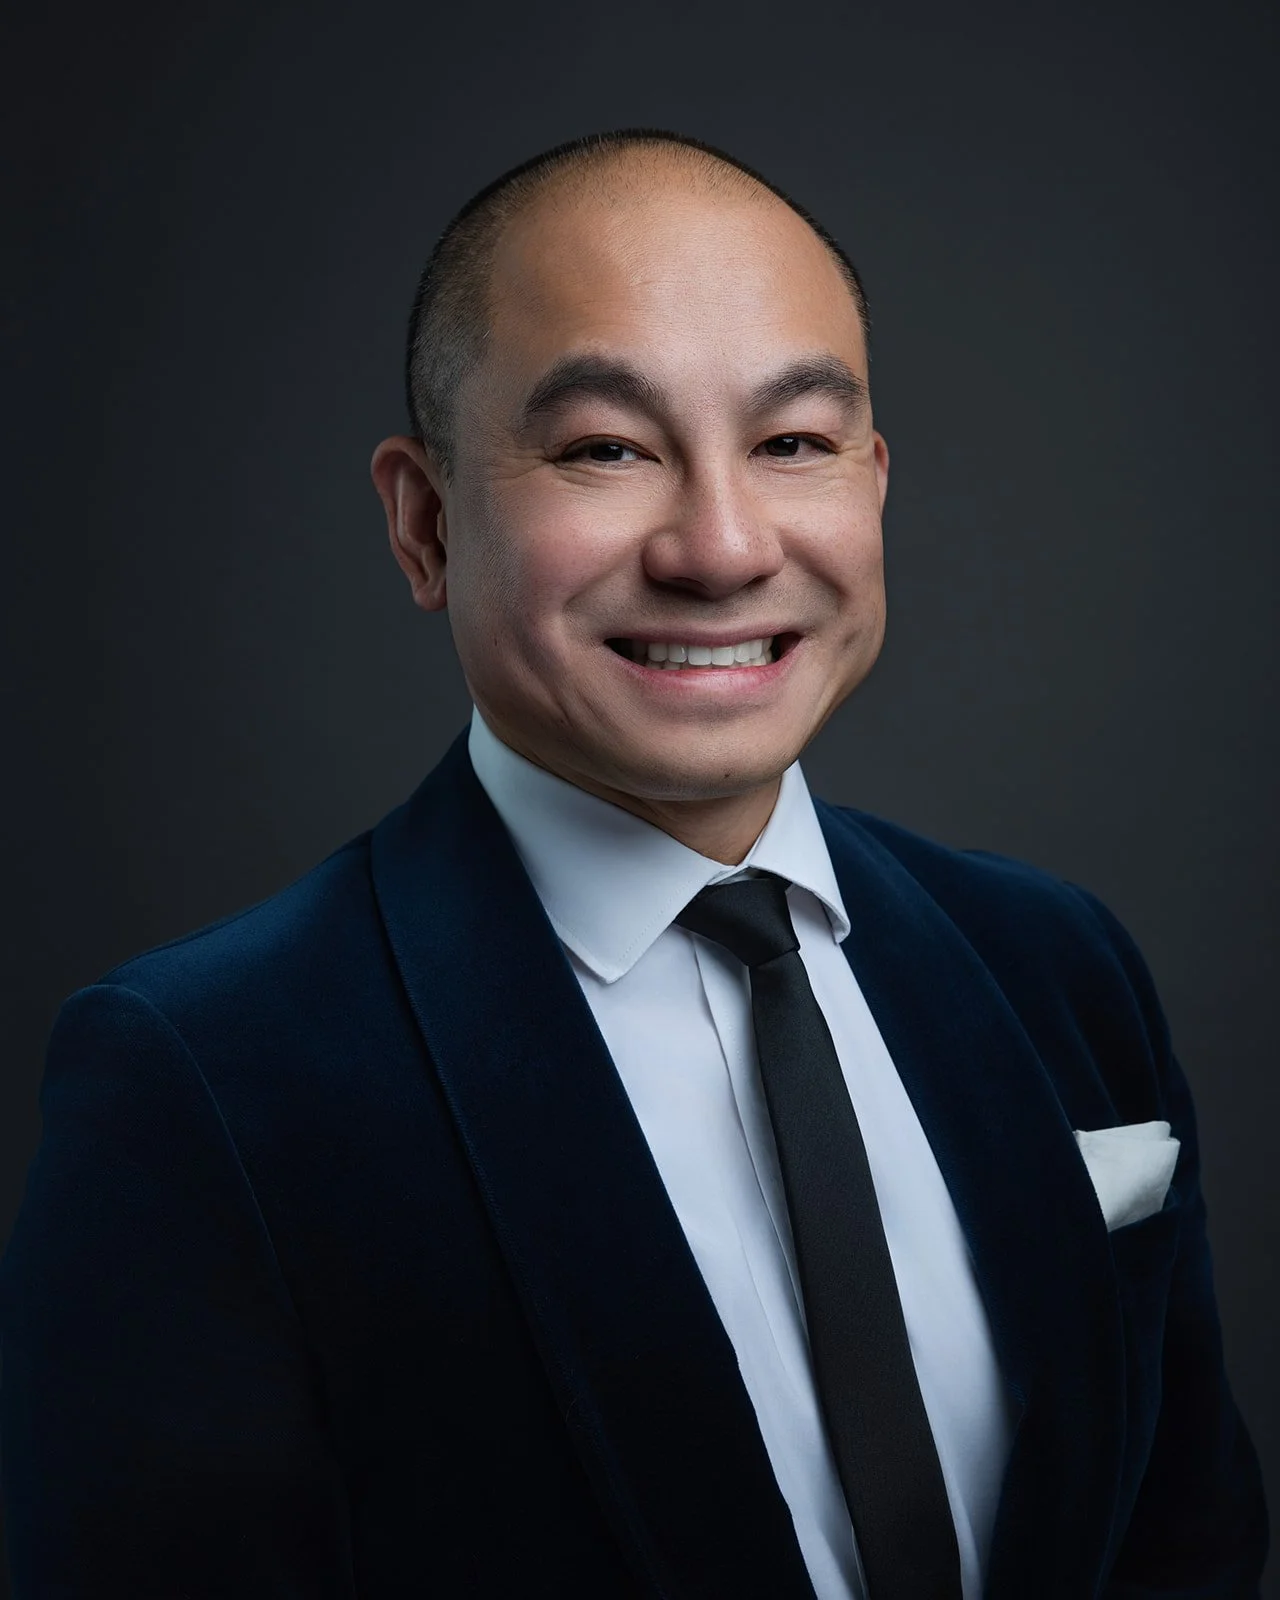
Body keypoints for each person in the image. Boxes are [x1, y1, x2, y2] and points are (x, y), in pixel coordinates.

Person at [0, 129, 1267, 1599]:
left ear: (874, 484)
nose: (723, 548)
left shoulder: (1058, 964)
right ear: (422, 524)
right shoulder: (203, 1085)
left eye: (792, 443)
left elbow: (1193, 1549)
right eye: (606, 448)